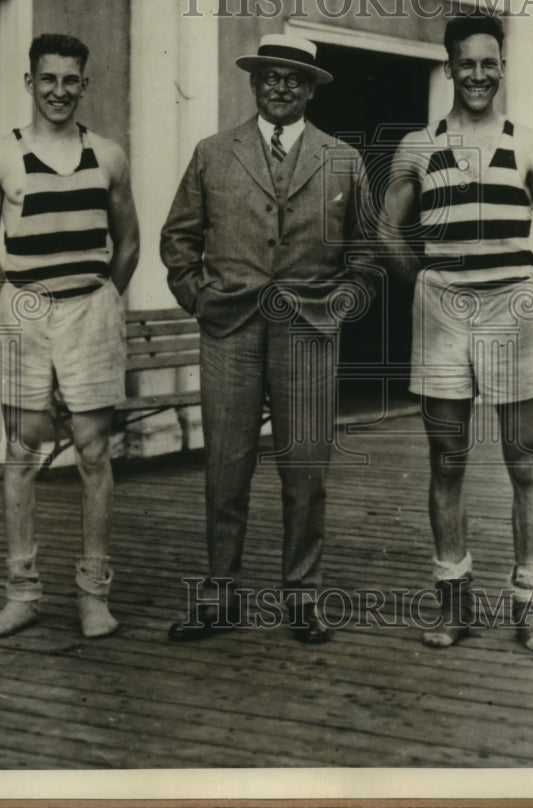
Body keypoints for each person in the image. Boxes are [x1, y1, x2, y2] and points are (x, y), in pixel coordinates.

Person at [160, 34, 375, 644]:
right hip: (229, 327)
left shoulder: (341, 158)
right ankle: (220, 595)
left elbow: (365, 252)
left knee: (305, 470)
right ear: (253, 84)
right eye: (271, 76)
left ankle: (302, 596)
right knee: (225, 469)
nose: (282, 86)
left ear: (311, 88)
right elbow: (178, 240)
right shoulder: (212, 152)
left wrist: (340, 303)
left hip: (307, 333)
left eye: (295, 78)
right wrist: (199, 297)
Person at [379, 14, 533, 652]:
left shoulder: (528, 142)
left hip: (512, 317)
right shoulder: (418, 145)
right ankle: (454, 603)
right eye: (465, 63)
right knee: (447, 462)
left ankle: (531, 605)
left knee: (524, 464)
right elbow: (387, 229)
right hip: (442, 313)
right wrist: (426, 281)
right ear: (449, 67)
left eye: (489, 63)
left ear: (502, 67)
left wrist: (523, 285)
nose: (477, 74)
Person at [0, 33, 140, 639]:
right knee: (23, 451)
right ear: (30, 83)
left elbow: (129, 239)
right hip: (25, 314)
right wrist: (11, 302)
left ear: (84, 85)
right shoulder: (0, 157)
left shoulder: (109, 155)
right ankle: (23, 592)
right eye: (48, 80)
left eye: (71, 80)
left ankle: (94, 594)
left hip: (89, 312)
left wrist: (106, 298)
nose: (59, 91)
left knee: (94, 452)